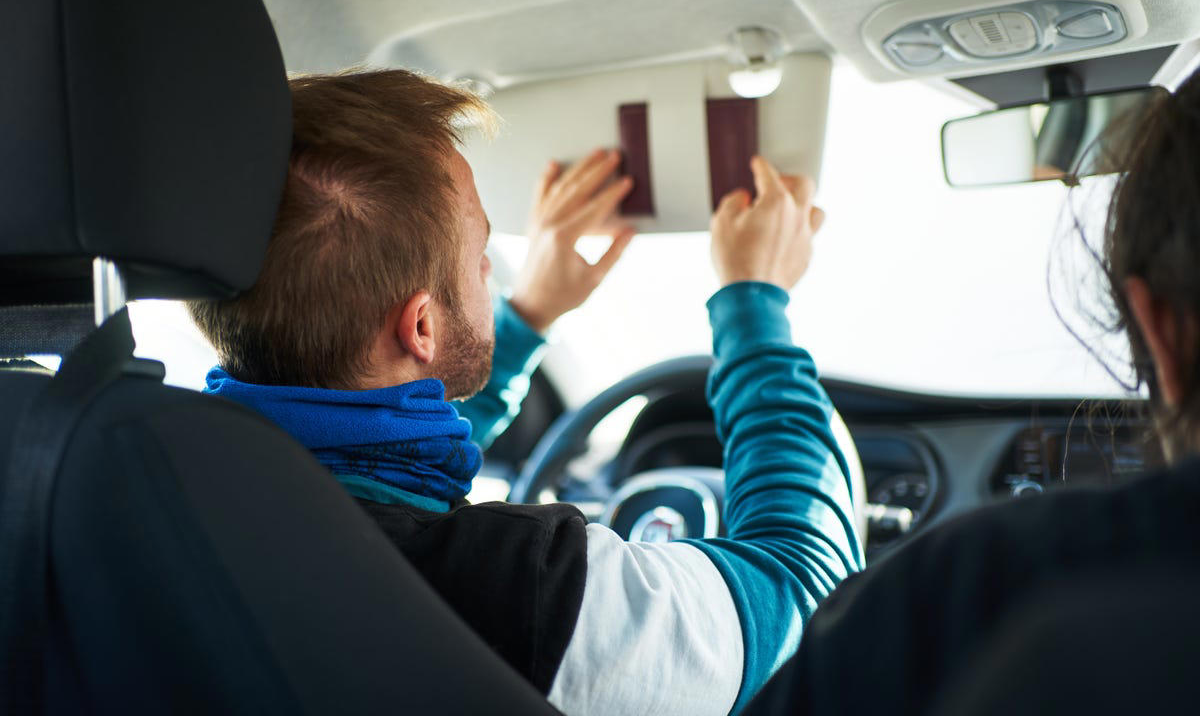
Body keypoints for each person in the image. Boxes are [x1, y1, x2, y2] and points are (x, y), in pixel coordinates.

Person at [189, 69, 862, 715]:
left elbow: (369, 475)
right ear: (421, 325)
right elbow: (801, 594)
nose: (491, 269)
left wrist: (530, 313)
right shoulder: (522, 598)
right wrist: (754, 304)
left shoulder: (173, 487)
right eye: (481, 251)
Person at [743, 70, 1200, 715]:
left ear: (1162, 330)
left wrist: (749, 297)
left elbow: (783, 591)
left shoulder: (963, 592)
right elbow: (785, 570)